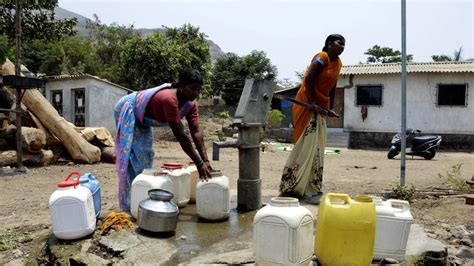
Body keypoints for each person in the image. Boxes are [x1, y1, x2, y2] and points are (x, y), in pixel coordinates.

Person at [114, 69, 212, 210]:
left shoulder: (190, 103)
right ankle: (131, 204)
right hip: (129, 109)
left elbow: (196, 131)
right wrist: (198, 162)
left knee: (146, 156)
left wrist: (206, 161)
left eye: (198, 90)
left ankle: (141, 200)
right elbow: (181, 135)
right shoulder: (170, 100)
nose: (195, 93)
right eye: (192, 89)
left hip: (144, 120)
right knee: (132, 159)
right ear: (181, 86)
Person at [279, 34, 345, 204]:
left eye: (344, 44)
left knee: (316, 147)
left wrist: (329, 108)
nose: (342, 46)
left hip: (320, 107)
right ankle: (292, 185)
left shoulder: (338, 63)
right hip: (306, 104)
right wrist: (313, 103)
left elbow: (333, 86)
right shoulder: (321, 57)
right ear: (329, 44)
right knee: (305, 145)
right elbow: (309, 80)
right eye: (339, 43)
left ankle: (310, 186)